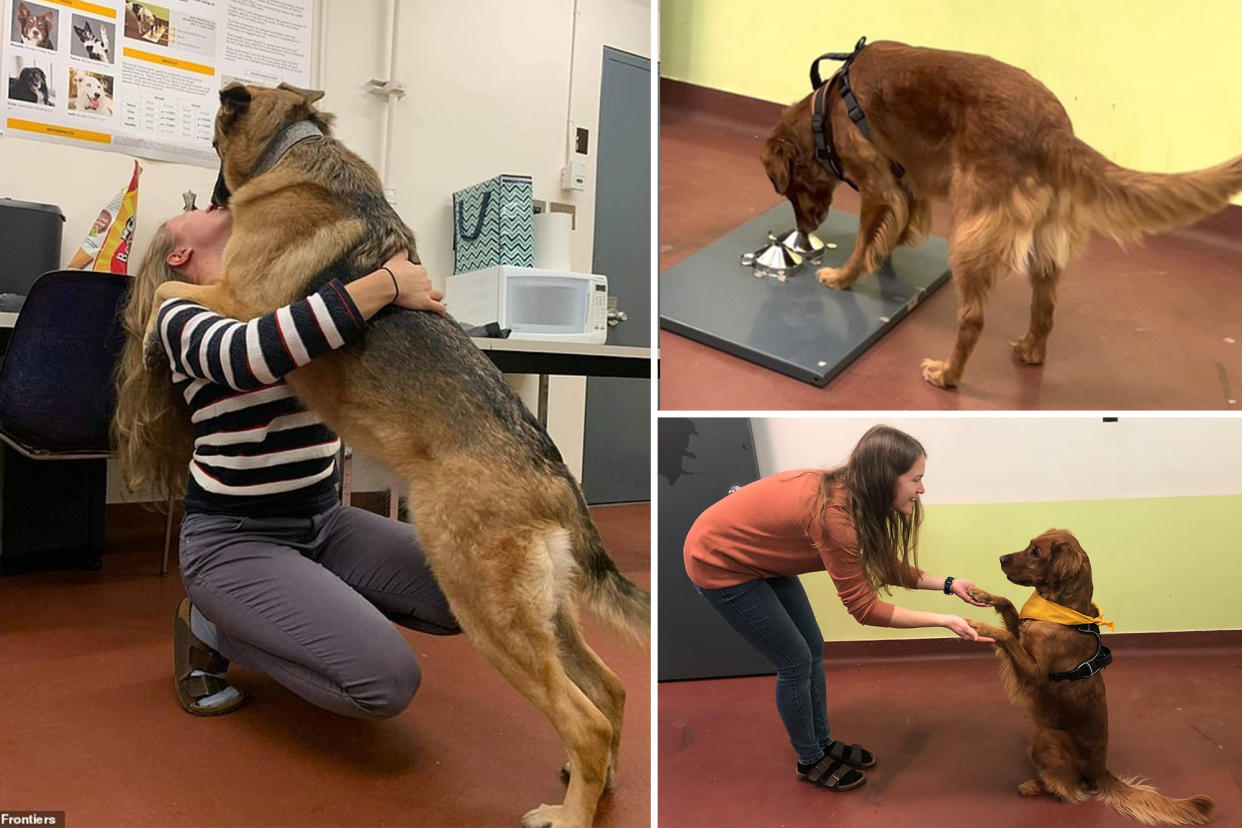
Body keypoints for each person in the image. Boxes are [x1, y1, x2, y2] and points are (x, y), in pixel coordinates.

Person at [113, 203, 461, 718]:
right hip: (235, 539)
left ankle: (300, 602)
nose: (212, 202)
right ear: (180, 253)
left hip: (326, 522)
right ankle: (211, 626)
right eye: (190, 210)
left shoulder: (288, 294)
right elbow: (249, 356)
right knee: (385, 684)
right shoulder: (177, 314)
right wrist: (387, 284)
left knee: (471, 591)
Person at [682, 424, 993, 792]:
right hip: (719, 562)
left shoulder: (854, 496)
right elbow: (865, 609)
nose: (922, 489)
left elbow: (879, 563)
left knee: (812, 647)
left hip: (759, 557)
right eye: (916, 479)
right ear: (884, 478)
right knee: (795, 660)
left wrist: (948, 584)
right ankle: (810, 759)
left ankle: (823, 743)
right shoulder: (834, 517)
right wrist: (944, 621)